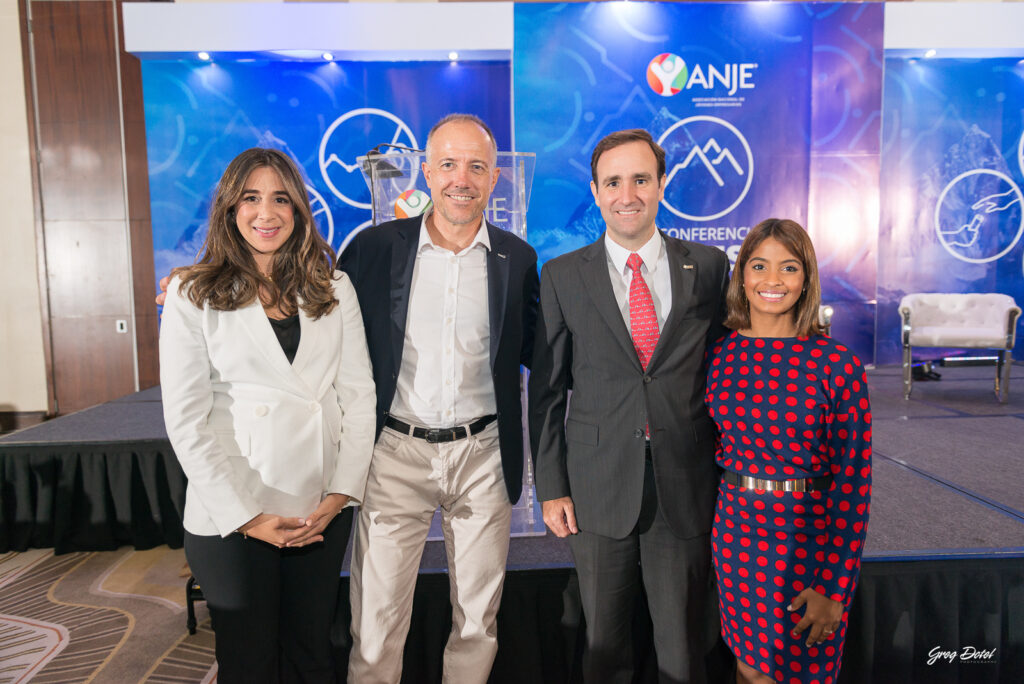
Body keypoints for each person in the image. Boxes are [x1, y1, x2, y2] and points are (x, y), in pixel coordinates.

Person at [159, 148, 376, 684]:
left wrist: (339, 496)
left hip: (317, 507)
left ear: (300, 210)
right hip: (232, 511)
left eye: (281, 198)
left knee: (312, 653)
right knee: (250, 661)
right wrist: (248, 517)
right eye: (251, 198)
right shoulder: (193, 292)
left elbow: (359, 396)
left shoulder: (334, 287)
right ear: (230, 210)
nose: (267, 212)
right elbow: (187, 420)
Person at [338, 113, 539, 684]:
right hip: (395, 453)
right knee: (375, 627)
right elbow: (316, 317)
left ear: (494, 177)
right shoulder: (375, 250)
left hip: (482, 456)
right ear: (426, 171)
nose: (461, 179)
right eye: (448, 164)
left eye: (476, 166)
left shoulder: (516, 259)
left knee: (478, 621)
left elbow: (542, 354)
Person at [529, 128, 730, 683]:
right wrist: (552, 487)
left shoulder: (709, 268)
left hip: (686, 485)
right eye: (613, 182)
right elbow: (547, 392)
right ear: (595, 192)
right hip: (596, 488)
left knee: (684, 651)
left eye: (641, 179)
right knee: (604, 651)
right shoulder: (563, 276)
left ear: (661, 185)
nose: (628, 194)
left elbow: (727, 375)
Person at [704, 218, 871, 684]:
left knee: (803, 673)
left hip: (807, 539)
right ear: (741, 276)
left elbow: (854, 485)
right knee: (749, 669)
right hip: (736, 535)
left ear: (806, 279)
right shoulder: (717, 356)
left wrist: (835, 588)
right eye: (759, 266)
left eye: (789, 267)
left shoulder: (838, 364)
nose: (772, 280)